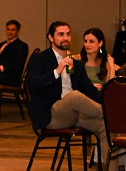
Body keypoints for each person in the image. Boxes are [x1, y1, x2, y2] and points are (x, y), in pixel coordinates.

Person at [26, 21, 106, 153]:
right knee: (74, 96)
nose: (65, 38)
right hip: (50, 116)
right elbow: (32, 83)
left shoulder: (77, 64)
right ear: (50, 37)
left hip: (73, 115)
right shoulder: (40, 59)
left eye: (68, 34)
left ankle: (111, 170)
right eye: (61, 34)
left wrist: (111, 102)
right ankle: (112, 114)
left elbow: (91, 91)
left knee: (106, 125)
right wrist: (57, 71)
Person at [0, 20, 29, 87]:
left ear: (18, 31)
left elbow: (19, 65)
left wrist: (0, 68)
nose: (10, 32)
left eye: (13, 30)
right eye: (8, 29)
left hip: (10, 76)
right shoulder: (0, 45)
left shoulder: (22, 46)